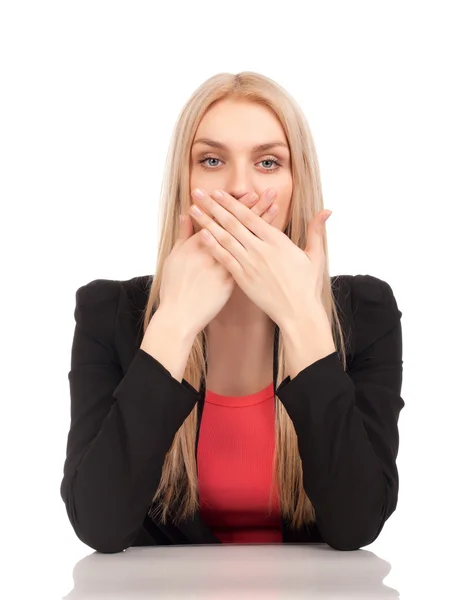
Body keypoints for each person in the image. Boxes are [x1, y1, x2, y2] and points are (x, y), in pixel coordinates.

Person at [60, 71, 405, 553]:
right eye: (212, 160)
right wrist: (174, 322)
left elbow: (356, 526)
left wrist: (302, 317)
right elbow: (99, 525)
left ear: (296, 181)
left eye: (267, 162)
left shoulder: (367, 312)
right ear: (185, 181)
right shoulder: (107, 313)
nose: (240, 188)